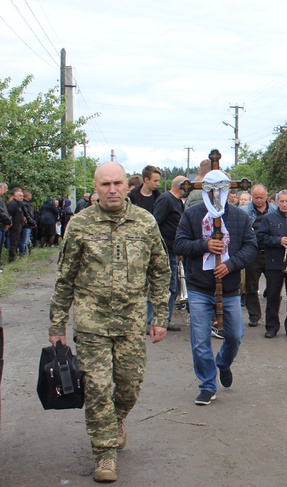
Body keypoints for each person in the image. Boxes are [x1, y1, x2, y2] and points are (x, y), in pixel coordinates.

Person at [48, 161, 171, 483]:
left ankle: (116, 419)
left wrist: (160, 316)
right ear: (96, 187)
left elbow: (160, 272)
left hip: (131, 321)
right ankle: (104, 453)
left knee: (129, 385)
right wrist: (57, 325)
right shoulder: (80, 224)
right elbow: (65, 278)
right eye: (105, 184)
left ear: (127, 186)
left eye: (118, 183)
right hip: (92, 323)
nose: (112, 190)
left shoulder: (145, 222)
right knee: (98, 388)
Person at [174, 170, 258, 406]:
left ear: (228, 190)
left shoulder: (239, 217)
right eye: (212, 190)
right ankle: (207, 385)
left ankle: (223, 362)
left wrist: (231, 265)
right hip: (199, 287)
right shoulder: (192, 214)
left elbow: (251, 247)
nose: (217, 194)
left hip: (229, 288)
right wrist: (204, 245)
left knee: (235, 336)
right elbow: (179, 244)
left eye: (221, 189)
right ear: (204, 190)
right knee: (200, 340)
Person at [257, 190, 287, 338]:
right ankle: (271, 327)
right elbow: (260, 237)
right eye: (281, 201)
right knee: (272, 296)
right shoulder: (268, 218)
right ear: (277, 202)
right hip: (274, 263)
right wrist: (279, 240)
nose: (284, 204)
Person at [240, 184, 277, 328]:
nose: (259, 200)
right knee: (251, 286)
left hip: (271, 252)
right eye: (256, 197)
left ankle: (272, 316)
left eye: (261, 197)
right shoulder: (244, 211)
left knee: (274, 286)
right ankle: (254, 315)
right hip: (253, 253)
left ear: (267, 195)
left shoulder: (275, 210)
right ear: (251, 196)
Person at [153, 175, 186, 332]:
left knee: (172, 286)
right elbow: (155, 222)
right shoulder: (166, 199)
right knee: (165, 286)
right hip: (164, 250)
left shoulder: (178, 202)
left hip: (173, 250)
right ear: (180, 186)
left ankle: (165, 320)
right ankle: (157, 321)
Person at [6, 188, 25, 263]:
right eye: (20, 196)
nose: (21, 197)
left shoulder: (19, 204)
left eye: (22, 196)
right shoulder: (12, 204)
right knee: (13, 243)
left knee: (16, 242)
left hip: (18, 226)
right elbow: (9, 215)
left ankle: (14, 256)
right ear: (15, 196)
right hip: (14, 227)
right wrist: (9, 224)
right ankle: (11, 258)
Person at [19, 189, 36, 256]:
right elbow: (27, 215)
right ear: (27, 195)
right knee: (24, 240)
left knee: (27, 240)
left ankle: (26, 253)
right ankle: (23, 254)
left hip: (28, 224)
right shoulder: (24, 204)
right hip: (26, 225)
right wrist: (33, 222)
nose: (31, 196)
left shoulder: (27, 204)